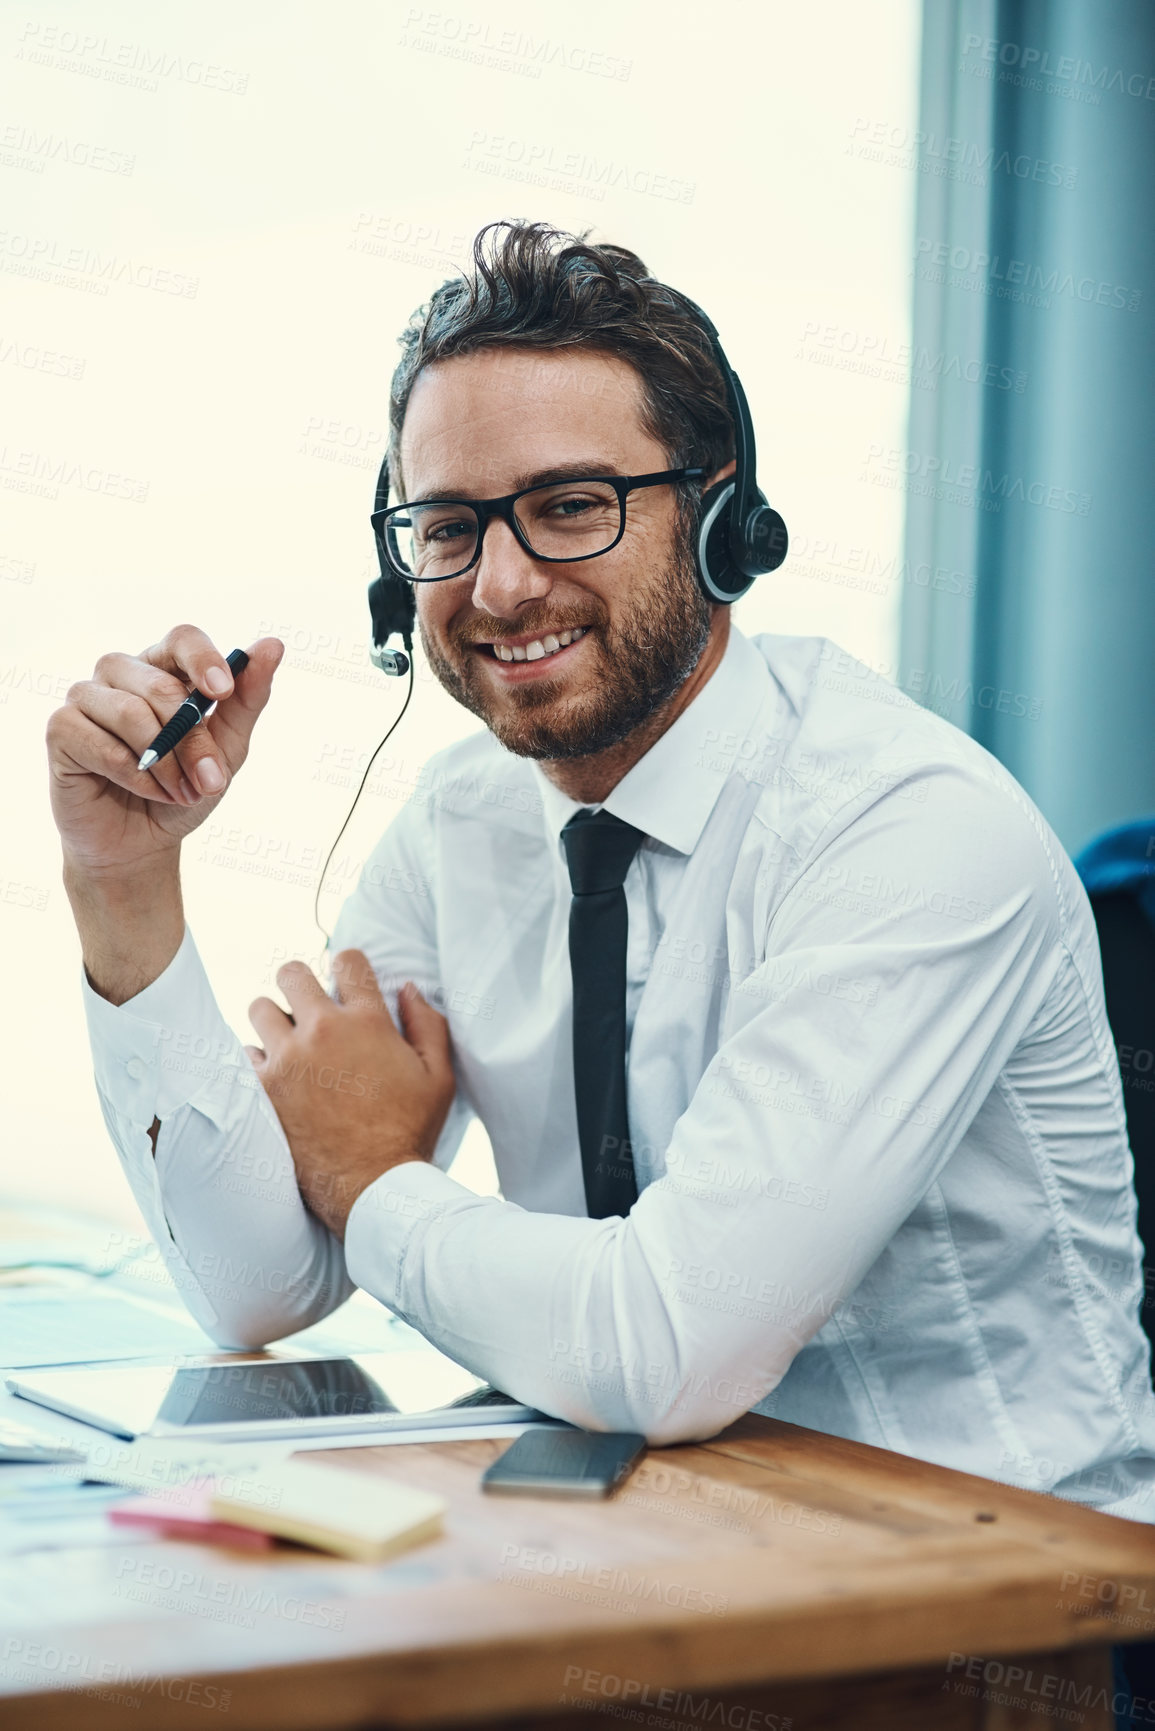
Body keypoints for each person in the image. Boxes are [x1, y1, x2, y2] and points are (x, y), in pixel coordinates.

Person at [47, 219, 1155, 1520]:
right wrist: (122, 882)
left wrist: (374, 1179)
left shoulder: (904, 829)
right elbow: (257, 1286)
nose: (502, 587)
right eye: (448, 526)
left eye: (571, 506)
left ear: (721, 513)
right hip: (632, 1550)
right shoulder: (468, 816)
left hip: (989, 1601)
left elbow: (663, 1348)